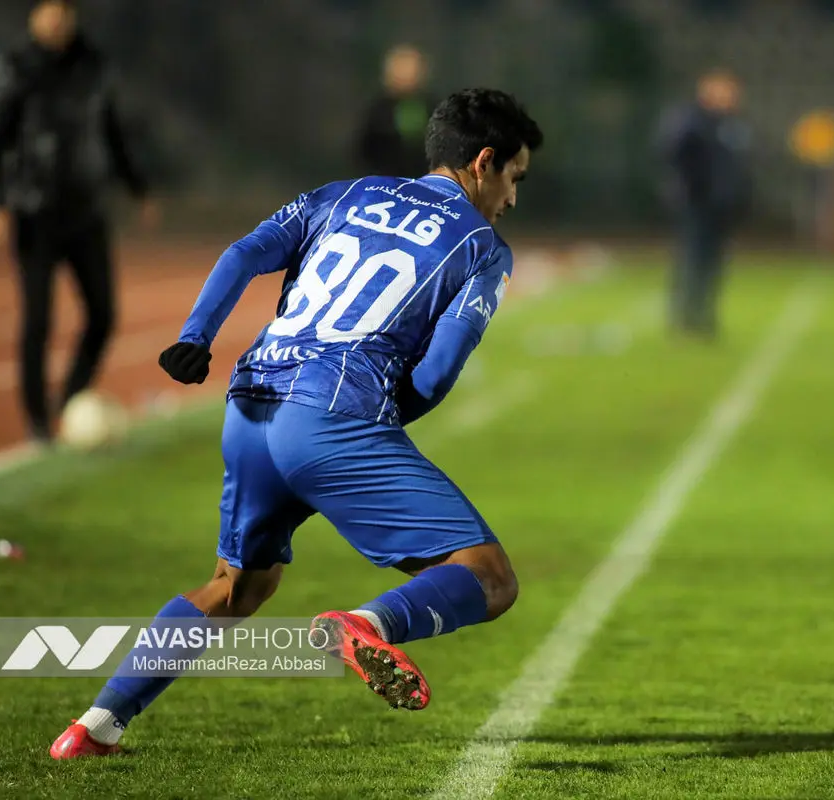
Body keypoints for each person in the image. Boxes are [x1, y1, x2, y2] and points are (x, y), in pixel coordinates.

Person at [49, 87, 543, 758]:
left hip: (250, 402)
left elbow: (244, 252)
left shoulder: (343, 193)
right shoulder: (484, 247)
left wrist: (199, 334)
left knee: (236, 587)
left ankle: (93, 727)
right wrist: (379, 420)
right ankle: (366, 623)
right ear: (484, 162)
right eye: (514, 177)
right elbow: (436, 371)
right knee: (490, 575)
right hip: (333, 419)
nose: (512, 198)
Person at [0, 0, 155, 444]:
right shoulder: (14, 67)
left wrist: (136, 188)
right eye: (48, 11)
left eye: (63, 11)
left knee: (103, 314)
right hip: (34, 211)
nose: (56, 20)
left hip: (86, 211)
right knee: (38, 320)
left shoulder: (93, 65)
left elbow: (111, 131)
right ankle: (38, 422)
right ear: (34, 17)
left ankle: (71, 401)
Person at [655, 68, 752, 340]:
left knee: (713, 263)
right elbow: (672, 154)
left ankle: (704, 316)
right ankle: (684, 318)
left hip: (721, 205)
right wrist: (691, 187)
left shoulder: (731, 124)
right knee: (692, 259)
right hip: (696, 203)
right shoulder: (690, 120)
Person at [354, 44, 435, 180]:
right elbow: (364, 151)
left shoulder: (432, 107)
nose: (407, 74)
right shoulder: (378, 110)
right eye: (401, 68)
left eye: (412, 68)